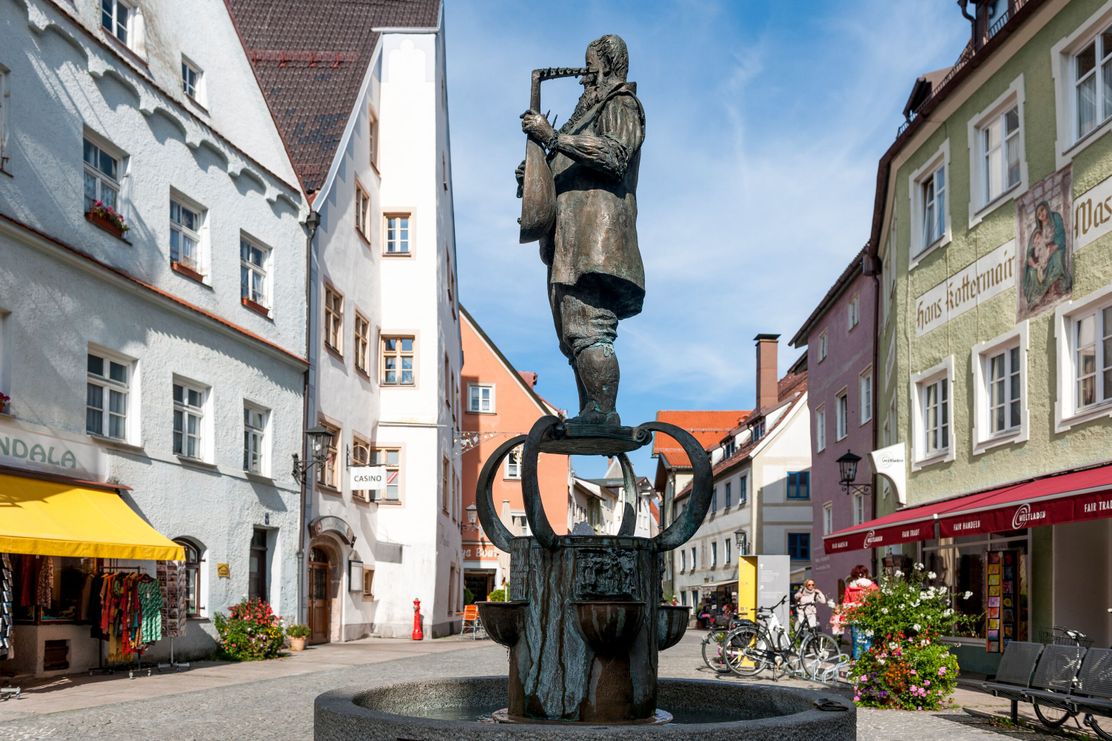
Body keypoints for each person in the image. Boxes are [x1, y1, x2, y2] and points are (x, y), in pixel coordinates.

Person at [518, 34, 646, 426]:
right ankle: (591, 412)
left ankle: (603, 414)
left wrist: (554, 138)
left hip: (597, 240)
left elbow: (614, 156)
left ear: (606, 67)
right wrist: (537, 173)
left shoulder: (621, 103)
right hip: (568, 241)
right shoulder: (588, 114)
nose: (581, 80)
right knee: (573, 336)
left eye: (588, 70)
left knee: (590, 328)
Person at [1022, 200, 1071, 312]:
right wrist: (1034, 264)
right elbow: (1030, 252)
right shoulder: (1036, 231)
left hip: (1055, 250)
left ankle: (1056, 287)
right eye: (1038, 214)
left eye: (1042, 210)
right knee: (1031, 271)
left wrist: (1051, 249)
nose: (1042, 215)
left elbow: (1060, 236)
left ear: (1047, 208)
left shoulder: (1056, 218)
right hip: (1041, 259)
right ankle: (1037, 297)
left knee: (1056, 257)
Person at [842, 565, 878, 660]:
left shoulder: (850, 588)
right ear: (866, 574)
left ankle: (858, 665)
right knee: (868, 641)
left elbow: (845, 605)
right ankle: (867, 665)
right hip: (869, 617)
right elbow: (878, 602)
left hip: (855, 618)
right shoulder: (872, 587)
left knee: (857, 642)